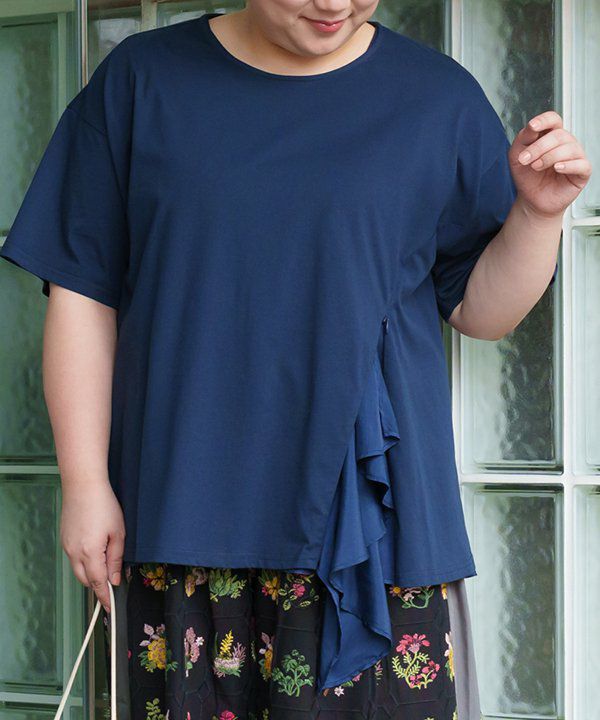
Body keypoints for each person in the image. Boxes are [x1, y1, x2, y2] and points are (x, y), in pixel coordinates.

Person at [0, 3, 590, 719]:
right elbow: (81, 293)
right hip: (185, 519)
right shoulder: (141, 83)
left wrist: (537, 215)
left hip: (371, 542)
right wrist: (85, 484)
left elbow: (481, 311)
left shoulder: (438, 99)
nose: (334, 3)